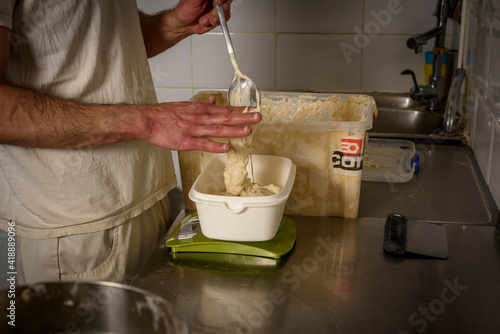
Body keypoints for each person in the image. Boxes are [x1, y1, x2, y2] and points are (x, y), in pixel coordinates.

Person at [0, 0, 261, 284]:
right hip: (79, 229)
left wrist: (171, 24)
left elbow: (97, 43)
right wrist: (148, 121)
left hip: (147, 198)